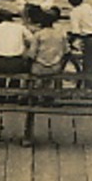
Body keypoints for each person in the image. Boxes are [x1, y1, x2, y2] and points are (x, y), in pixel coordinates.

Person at [25, 8, 70, 145]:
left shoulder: (38, 35)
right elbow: (66, 51)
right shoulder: (60, 34)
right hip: (55, 68)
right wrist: (60, 64)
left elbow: (31, 55)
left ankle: (33, 95)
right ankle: (47, 95)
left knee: (32, 70)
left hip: (40, 68)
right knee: (50, 75)